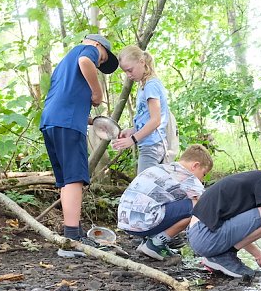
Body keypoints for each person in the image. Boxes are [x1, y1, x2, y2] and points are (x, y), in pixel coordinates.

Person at [39, 34, 118, 257]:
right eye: (103, 59)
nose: (100, 63)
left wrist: (92, 120)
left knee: (65, 181)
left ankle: (72, 231)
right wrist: (97, 92)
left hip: (51, 122)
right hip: (67, 125)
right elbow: (86, 62)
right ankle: (72, 237)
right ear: (98, 46)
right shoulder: (88, 51)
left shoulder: (63, 65)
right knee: (75, 178)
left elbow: (64, 99)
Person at [118, 145, 213, 260]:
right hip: (144, 223)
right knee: (196, 206)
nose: (201, 180)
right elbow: (207, 203)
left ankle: (149, 241)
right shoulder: (187, 176)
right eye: (203, 174)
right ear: (195, 165)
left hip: (125, 221)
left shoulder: (160, 168)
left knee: (172, 203)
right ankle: (155, 244)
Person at [111, 45, 170, 174]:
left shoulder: (151, 85)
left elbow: (156, 121)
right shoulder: (144, 85)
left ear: (142, 62)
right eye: (125, 72)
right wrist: (132, 131)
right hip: (149, 144)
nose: (128, 75)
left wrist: (132, 140)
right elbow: (148, 119)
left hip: (153, 146)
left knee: (142, 189)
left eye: (130, 70)